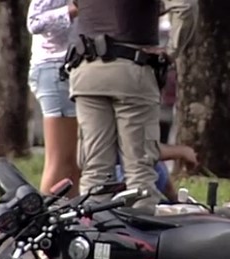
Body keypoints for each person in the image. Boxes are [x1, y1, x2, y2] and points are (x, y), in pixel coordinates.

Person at [67, 0, 198, 214]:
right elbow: (186, 6)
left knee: (95, 170)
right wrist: (171, 51)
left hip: (86, 72)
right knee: (140, 170)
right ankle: (139, 237)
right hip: (132, 71)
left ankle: (95, 233)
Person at [26, 0, 81, 199]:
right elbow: (34, 22)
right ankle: (39, 223)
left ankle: (73, 222)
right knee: (60, 161)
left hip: (74, 69)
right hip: (54, 69)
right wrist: (72, 10)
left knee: (74, 163)